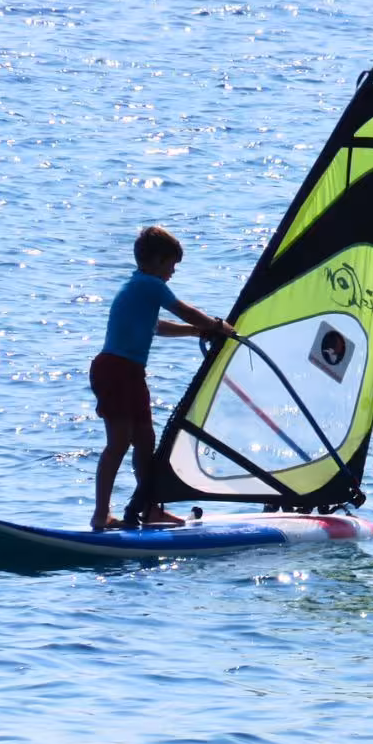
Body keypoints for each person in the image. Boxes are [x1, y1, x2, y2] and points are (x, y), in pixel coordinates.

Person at [90, 226, 234, 530]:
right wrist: (217, 325)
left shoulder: (140, 287)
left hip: (131, 371)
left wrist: (198, 331)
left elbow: (157, 326)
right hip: (114, 369)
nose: (172, 273)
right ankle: (101, 514)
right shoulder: (148, 285)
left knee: (145, 440)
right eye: (171, 265)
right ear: (156, 261)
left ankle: (150, 508)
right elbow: (183, 310)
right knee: (119, 442)